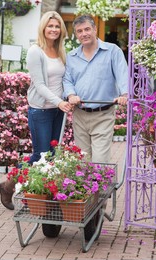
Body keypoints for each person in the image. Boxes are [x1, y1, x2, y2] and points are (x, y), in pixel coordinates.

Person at [0, 11, 73, 210]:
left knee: (53, 156)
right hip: (41, 110)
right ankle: (8, 186)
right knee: (41, 156)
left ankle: (44, 196)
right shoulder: (35, 51)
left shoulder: (61, 51)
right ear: (43, 28)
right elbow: (39, 84)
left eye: (57, 26)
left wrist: (69, 97)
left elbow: (64, 80)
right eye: (50, 26)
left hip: (58, 110)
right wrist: (59, 102)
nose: (54, 29)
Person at [63, 14, 128, 163]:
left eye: (87, 29)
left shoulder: (112, 51)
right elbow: (67, 80)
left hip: (103, 114)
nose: (84, 34)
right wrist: (71, 94)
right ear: (76, 34)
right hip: (79, 114)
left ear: (94, 29)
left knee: (100, 160)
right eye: (79, 31)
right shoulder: (71, 56)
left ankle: (103, 187)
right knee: (83, 160)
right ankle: (87, 187)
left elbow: (123, 74)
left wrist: (124, 94)